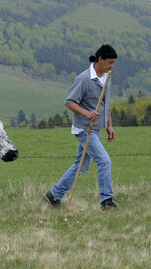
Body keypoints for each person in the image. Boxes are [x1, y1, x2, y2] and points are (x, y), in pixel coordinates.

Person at [44, 44, 118, 209]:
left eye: (114, 63)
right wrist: (87, 113)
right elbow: (69, 102)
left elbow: (106, 104)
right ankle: (106, 201)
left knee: (81, 165)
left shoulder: (107, 76)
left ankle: (53, 195)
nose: (112, 66)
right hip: (84, 129)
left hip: (97, 129)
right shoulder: (83, 78)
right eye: (110, 62)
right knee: (104, 161)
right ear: (100, 59)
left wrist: (109, 125)